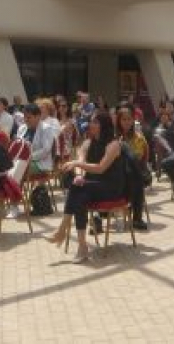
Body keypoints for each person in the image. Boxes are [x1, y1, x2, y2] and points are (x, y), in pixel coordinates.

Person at [47, 112, 125, 263]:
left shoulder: (114, 145)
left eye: (95, 122)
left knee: (77, 190)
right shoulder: (87, 143)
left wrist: (77, 164)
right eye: (91, 121)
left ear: (104, 125)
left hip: (111, 188)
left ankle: (63, 230)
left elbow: (101, 168)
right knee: (78, 193)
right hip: (92, 186)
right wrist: (79, 175)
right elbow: (81, 162)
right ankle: (81, 246)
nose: (91, 125)